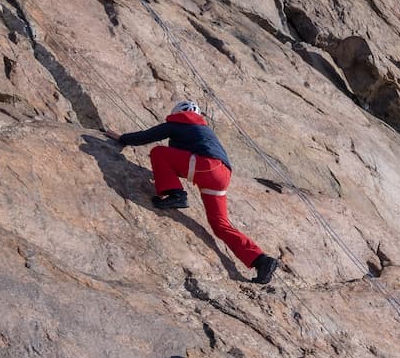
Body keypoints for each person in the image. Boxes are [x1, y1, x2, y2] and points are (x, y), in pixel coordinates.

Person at [113, 101, 279, 284]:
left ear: (177, 112)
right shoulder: (204, 130)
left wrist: (121, 138)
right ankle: (260, 260)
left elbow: (147, 136)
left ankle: (176, 194)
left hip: (206, 165)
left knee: (159, 152)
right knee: (220, 224)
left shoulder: (179, 122)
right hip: (222, 174)